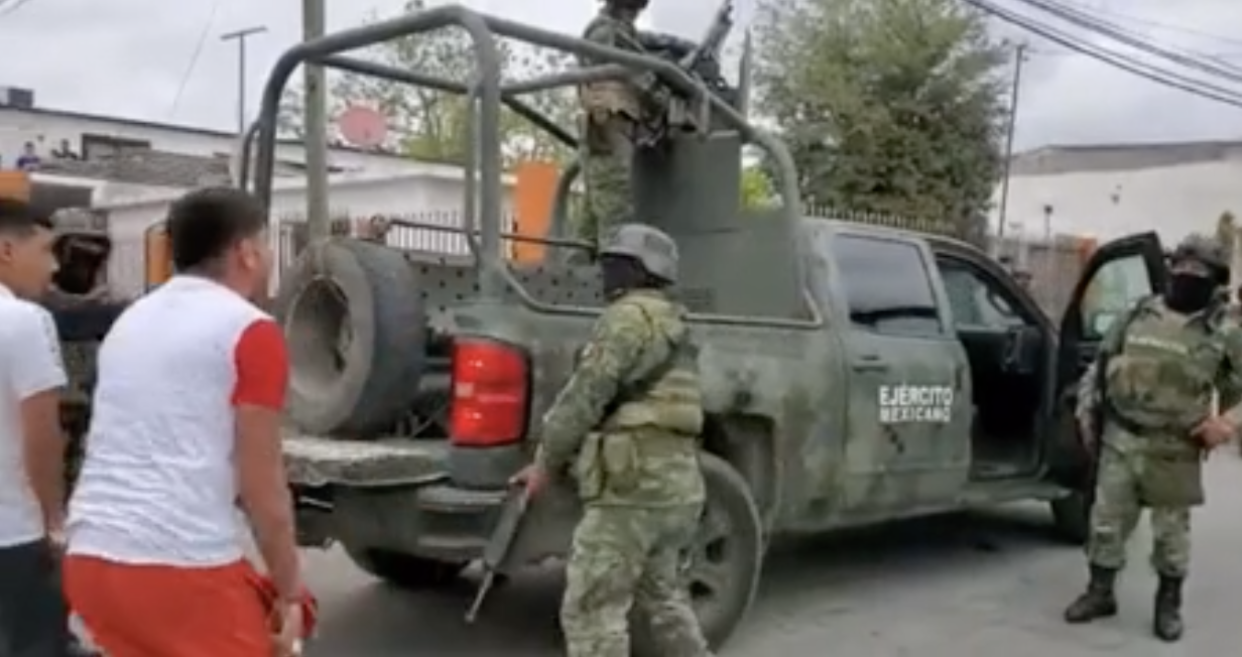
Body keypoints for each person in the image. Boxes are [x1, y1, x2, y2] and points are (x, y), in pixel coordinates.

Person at [61, 187, 308, 657]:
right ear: (247, 253)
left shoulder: (131, 321)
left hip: (91, 554)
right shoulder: (250, 329)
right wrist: (292, 591)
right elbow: (263, 483)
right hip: (177, 569)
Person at [511, 223, 712, 656]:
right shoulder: (677, 322)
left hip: (630, 486)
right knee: (666, 601)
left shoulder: (626, 319)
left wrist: (545, 462)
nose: (607, 274)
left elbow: (583, 399)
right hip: (678, 485)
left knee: (593, 611)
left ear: (643, 271)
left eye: (617, 265)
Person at [1063, 234, 1242, 642]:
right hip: (1120, 440)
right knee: (1105, 524)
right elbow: (1101, 364)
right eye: (1181, 268)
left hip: (1175, 450)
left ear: (1215, 281)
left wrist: (1226, 424)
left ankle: (1168, 606)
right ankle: (1100, 593)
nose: (1187, 277)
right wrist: (1086, 412)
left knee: (1170, 537)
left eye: (1200, 272)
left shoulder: (1223, 333)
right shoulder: (1137, 314)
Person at [575, 0, 653, 247]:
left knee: (594, 212)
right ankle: (615, 279)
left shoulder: (619, 32)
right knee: (615, 210)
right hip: (608, 122)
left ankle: (579, 268)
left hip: (615, 123)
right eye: (631, 10)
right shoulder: (605, 32)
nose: (634, 16)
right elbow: (635, 74)